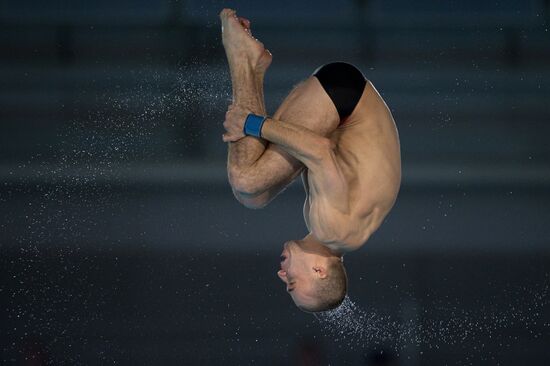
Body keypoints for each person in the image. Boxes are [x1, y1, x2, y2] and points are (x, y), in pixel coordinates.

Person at [219, 9, 401, 312]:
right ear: (320, 271)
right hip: (344, 98)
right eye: (292, 283)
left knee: (255, 194)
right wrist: (249, 124)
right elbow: (319, 149)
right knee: (246, 180)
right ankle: (243, 58)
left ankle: (255, 67)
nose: (281, 274)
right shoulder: (333, 228)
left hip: (345, 103)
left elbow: (317, 154)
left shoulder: (342, 234)